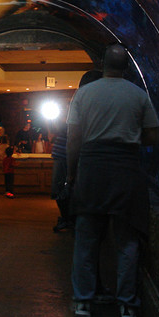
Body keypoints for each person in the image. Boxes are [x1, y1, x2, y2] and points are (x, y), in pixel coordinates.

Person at [65, 45, 159, 317]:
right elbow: (153, 137)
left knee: (86, 239)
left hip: (92, 169)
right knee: (127, 240)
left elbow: (73, 139)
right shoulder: (138, 95)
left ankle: (83, 301)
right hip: (126, 170)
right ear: (127, 66)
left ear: (102, 64)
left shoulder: (84, 94)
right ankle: (127, 305)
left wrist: (72, 175)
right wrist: (128, 138)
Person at [52, 70, 101, 233]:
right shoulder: (83, 101)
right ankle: (69, 219)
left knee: (64, 188)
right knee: (62, 189)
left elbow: (71, 134)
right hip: (68, 151)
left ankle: (70, 219)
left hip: (69, 152)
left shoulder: (79, 100)